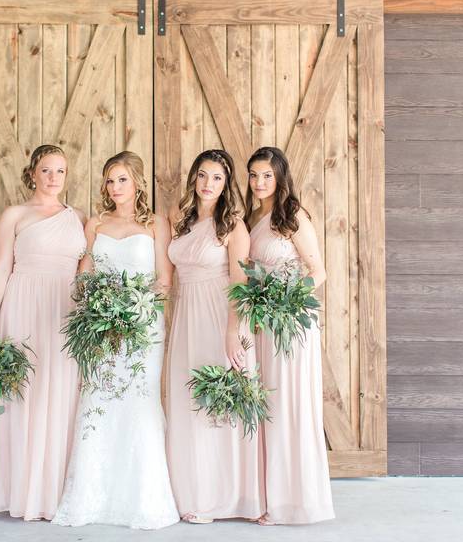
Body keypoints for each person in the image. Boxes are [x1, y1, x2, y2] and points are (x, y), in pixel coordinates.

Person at [53, 151, 180, 530]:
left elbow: (164, 281)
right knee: (101, 400)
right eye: (110, 180)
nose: (115, 187)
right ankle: (93, 496)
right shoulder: (95, 224)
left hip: (143, 328)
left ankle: (144, 498)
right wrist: (102, 310)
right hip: (102, 326)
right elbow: (84, 277)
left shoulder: (156, 224)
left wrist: (133, 309)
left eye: (122, 179)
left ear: (137, 182)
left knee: (140, 402)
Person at [0, 144, 86, 521]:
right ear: (33, 173)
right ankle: (23, 493)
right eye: (46, 170)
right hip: (23, 307)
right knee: (24, 398)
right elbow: (0, 269)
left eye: (60, 171)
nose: (53, 178)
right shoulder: (15, 215)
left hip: (64, 311)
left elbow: (87, 272)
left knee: (60, 396)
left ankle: (54, 494)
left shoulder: (80, 218)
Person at [164, 149, 263, 523]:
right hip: (186, 315)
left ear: (226, 184)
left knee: (219, 407)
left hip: (219, 316)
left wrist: (233, 333)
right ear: (194, 178)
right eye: (203, 176)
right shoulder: (180, 219)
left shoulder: (233, 226)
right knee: (189, 402)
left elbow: (240, 285)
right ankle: (193, 494)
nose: (208, 184)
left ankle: (226, 498)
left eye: (217, 178)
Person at [245, 146, 334, 525]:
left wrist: (285, 302)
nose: (259, 182)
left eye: (267, 175)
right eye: (253, 175)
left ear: (280, 177)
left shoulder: (293, 215)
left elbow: (318, 272)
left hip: (291, 324)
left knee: (290, 406)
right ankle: (269, 496)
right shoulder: (252, 218)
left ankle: (293, 503)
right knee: (269, 406)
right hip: (263, 324)